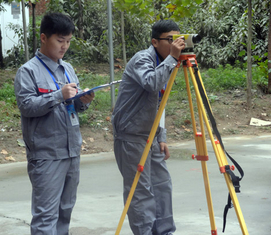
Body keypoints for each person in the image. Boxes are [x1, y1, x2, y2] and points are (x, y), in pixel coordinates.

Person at [14, 12, 95, 235]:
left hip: (71, 151)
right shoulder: (28, 71)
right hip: (47, 153)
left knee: (65, 210)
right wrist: (58, 95)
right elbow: (27, 106)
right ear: (43, 38)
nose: (64, 47)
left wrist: (83, 101)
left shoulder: (67, 69)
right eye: (60, 41)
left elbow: (74, 108)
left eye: (68, 41)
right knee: (45, 215)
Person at [112, 19, 185, 235]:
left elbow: (159, 101)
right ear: (155, 41)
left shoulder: (167, 61)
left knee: (163, 186)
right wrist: (172, 58)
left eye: (178, 40)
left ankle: (165, 231)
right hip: (131, 135)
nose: (175, 44)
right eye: (170, 40)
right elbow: (152, 83)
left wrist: (161, 136)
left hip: (151, 136)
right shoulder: (142, 59)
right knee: (140, 192)